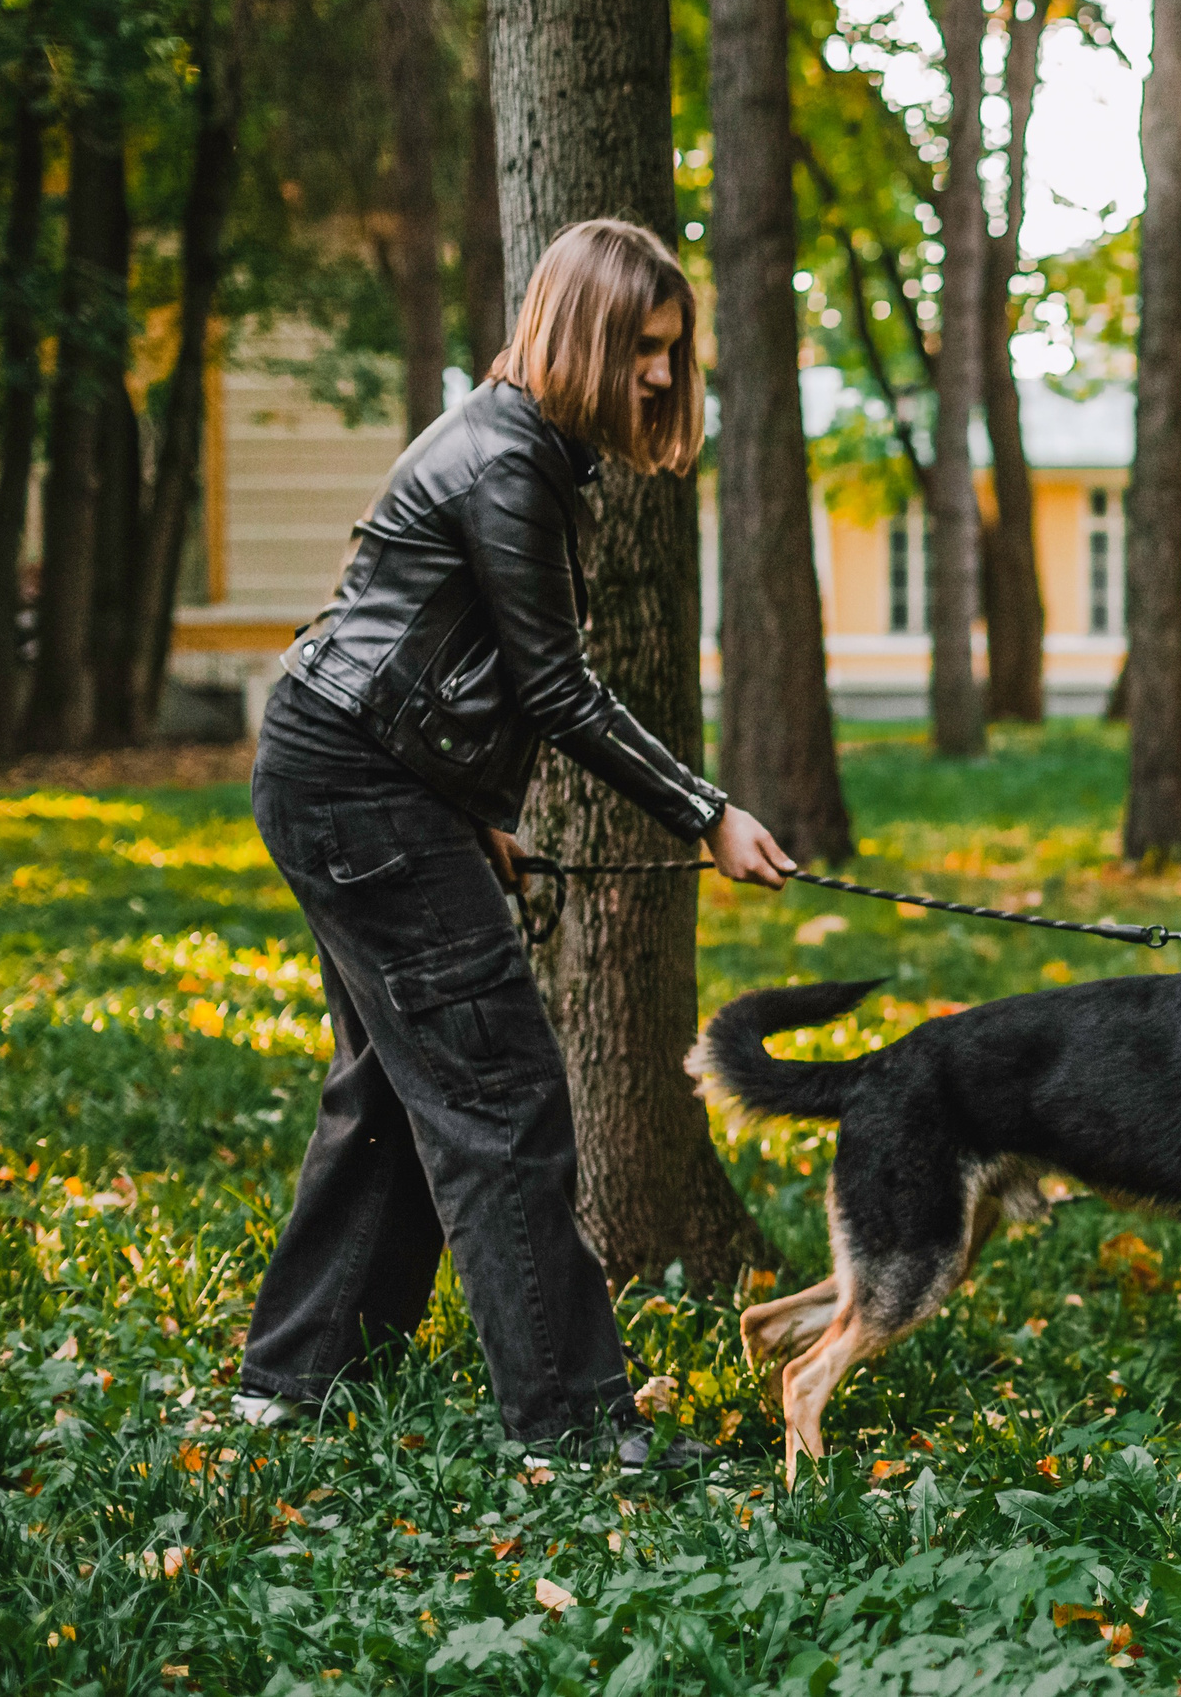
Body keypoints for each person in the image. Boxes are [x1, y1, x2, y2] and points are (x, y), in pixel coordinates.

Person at [233, 219, 793, 1467]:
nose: (660, 373)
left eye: (671, 350)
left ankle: (295, 1380)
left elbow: (437, 647)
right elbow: (553, 686)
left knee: (392, 1081)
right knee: (504, 1097)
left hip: (358, 777)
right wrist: (707, 813)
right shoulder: (504, 460)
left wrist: (475, 813)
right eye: (641, 347)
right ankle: (576, 1424)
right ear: (582, 332)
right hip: (355, 786)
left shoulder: (511, 443)